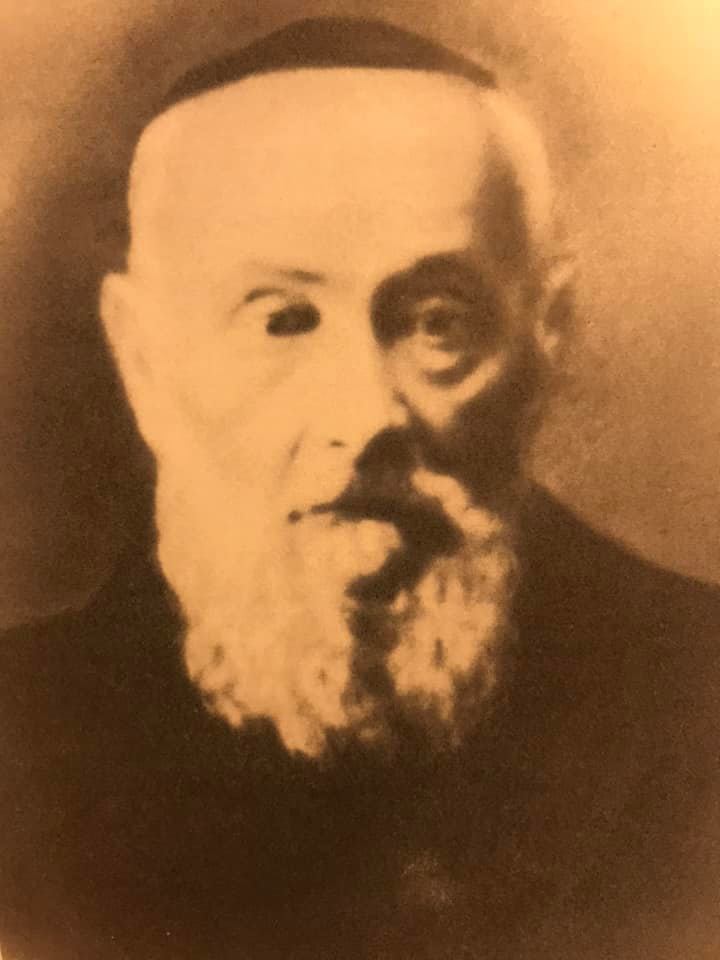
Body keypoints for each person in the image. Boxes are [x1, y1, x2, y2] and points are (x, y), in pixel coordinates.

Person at [0, 16, 718, 960]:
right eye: (283, 320)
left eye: (437, 322)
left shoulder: (695, 697)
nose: (366, 411)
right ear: (142, 359)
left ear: (545, 339)